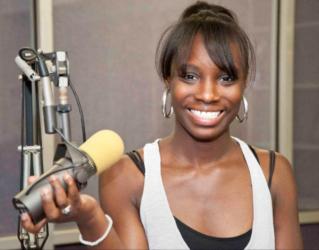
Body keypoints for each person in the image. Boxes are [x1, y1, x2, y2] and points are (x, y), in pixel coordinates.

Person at [21, 1, 303, 249]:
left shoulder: (274, 173)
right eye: (190, 76)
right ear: (168, 80)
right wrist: (89, 217)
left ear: (244, 85)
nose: (207, 94)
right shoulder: (128, 176)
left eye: (226, 78)